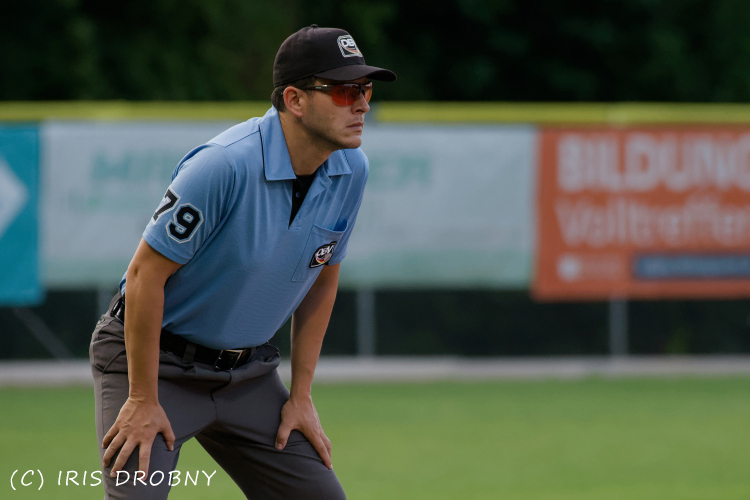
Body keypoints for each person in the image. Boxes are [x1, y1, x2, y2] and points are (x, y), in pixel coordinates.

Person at [89, 25, 396, 499]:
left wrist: (301, 396)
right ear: (294, 100)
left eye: (365, 89)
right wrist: (142, 397)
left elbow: (322, 278)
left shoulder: (351, 168)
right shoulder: (223, 164)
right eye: (343, 91)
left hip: (247, 376)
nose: (362, 105)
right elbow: (144, 275)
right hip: (155, 368)